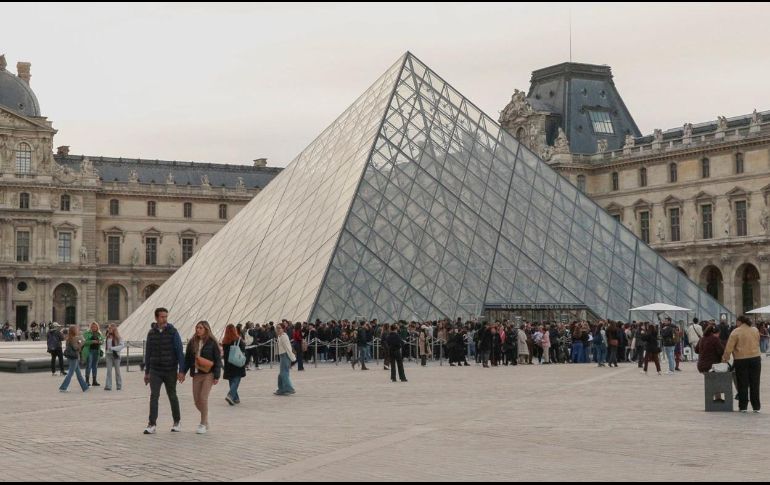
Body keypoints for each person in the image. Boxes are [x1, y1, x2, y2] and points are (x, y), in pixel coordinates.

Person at [143, 308, 185, 435]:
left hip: (170, 370)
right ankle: (152, 424)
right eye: (162, 317)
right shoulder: (151, 333)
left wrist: (181, 370)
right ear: (156, 318)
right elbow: (148, 353)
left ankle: (177, 421)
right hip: (155, 370)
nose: (164, 319)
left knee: (172, 395)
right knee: (154, 396)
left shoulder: (173, 332)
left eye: (166, 316)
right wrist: (147, 372)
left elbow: (179, 351)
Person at [182, 321, 221, 434]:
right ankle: (205, 415)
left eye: (200, 328)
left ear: (206, 329)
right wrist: (183, 373)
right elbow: (188, 359)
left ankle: (203, 423)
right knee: (196, 400)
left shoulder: (212, 343)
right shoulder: (192, 342)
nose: (198, 330)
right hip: (196, 374)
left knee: (203, 398)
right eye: (197, 327)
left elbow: (217, 360)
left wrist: (217, 375)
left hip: (208, 374)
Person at [722, 315, 762, 413]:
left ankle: (743, 406)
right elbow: (757, 341)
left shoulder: (736, 332)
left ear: (739, 322)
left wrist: (725, 359)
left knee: (742, 383)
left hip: (741, 359)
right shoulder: (755, 330)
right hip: (755, 358)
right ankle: (756, 406)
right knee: (755, 383)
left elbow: (729, 348)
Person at [59, 325, 90, 393]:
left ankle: (85, 387)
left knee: (78, 373)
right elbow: (76, 347)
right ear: (74, 331)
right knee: (70, 373)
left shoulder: (69, 338)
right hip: (74, 357)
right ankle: (63, 387)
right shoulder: (75, 338)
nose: (78, 330)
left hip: (70, 357)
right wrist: (82, 342)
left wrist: (80, 342)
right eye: (77, 329)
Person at [222, 324, 247, 406]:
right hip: (237, 362)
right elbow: (243, 350)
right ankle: (230, 395)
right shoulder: (238, 339)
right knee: (236, 379)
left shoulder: (225, 341)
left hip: (228, 363)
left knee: (231, 379)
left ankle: (236, 398)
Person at [275, 324, 296, 396]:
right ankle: (281, 389)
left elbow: (288, 348)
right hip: (282, 355)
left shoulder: (284, 337)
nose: (278, 330)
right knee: (281, 374)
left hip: (285, 355)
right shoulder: (280, 336)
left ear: (283, 329)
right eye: (277, 328)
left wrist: (292, 357)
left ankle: (289, 388)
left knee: (284, 373)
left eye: (279, 328)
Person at [81, 322, 104, 387]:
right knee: (89, 365)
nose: (94, 328)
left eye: (95, 326)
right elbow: (84, 342)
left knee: (95, 366)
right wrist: (92, 341)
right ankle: (87, 381)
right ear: (90, 327)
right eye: (93, 326)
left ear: (97, 327)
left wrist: (100, 342)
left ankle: (94, 381)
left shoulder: (99, 333)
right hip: (89, 351)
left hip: (96, 351)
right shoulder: (86, 333)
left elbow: (102, 340)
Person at [104, 324, 125, 391]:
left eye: (110, 328)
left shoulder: (118, 337)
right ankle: (108, 386)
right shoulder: (107, 336)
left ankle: (119, 385)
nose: (109, 329)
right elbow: (106, 346)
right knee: (109, 371)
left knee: (117, 371)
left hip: (116, 355)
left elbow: (121, 346)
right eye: (109, 328)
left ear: (114, 329)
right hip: (108, 355)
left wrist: (113, 348)